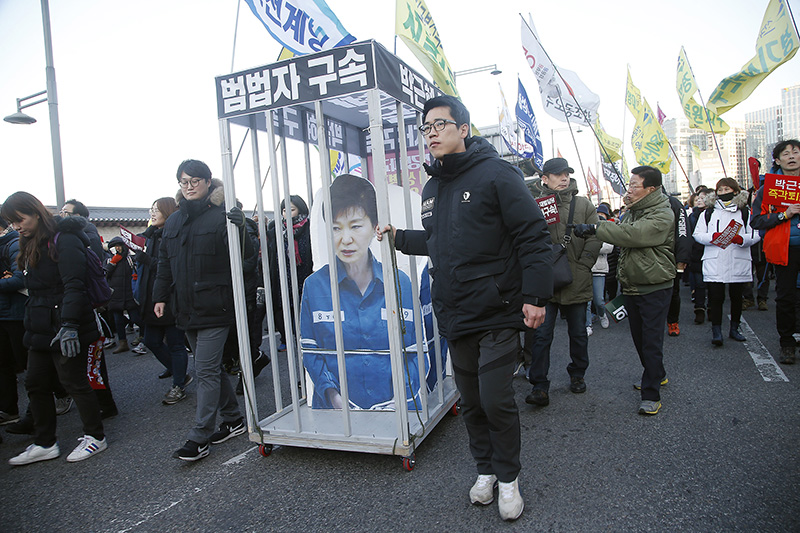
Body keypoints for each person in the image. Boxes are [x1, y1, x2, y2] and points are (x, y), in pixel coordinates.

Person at [378, 95, 552, 521]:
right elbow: (438, 242)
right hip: (455, 314)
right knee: (471, 403)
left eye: (440, 124)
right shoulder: (433, 187)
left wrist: (535, 297)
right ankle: (485, 471)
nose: (432, 133)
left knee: (496, 401)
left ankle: (509, 479)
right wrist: (398, 236)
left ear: (463, 129)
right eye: (426, 127)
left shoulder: (497, 173)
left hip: (497, 310)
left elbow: (532, 235)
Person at [153, 159, 254, 461]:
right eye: (184, 181)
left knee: (205, 370)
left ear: (209, 182)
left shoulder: (223, 217)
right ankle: (234, 419)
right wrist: (159, 296)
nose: (189, 186)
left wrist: (242, 229)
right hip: (186, 308)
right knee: (211, 368)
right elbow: (164, 264)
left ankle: (199, 437)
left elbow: (248, 259)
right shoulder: (173, 221)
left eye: (195, 180)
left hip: (216, 307)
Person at [2, 192, 108, 465]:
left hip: (66, 323)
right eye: (12, 222)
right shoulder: (27, 241)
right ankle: (45, 442)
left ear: (36, 212)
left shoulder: (66, 238)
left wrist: (70, 325)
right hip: (39, 324)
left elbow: (75, 285)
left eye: (20, 219)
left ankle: (95, 436)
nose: (17, 226)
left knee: (73, 381)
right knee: (34, 383)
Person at [300, 175, 422, 410]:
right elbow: (310, 350)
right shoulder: (314, 286)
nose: (346, 239)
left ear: (375, 227)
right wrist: (334, 398)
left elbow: (417, 351)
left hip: (395, 411)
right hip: (334, 414)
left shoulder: (399, 283)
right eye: (336, 228)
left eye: (356, 226)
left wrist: (400, 400)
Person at [573, 166, 675, 416]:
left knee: (651, 341)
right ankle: (657, 373)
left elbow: (633, 235)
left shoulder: (663, 213)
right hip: (631, 285)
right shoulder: (634, 210)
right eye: (629, 185)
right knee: (640, 339)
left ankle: (651, 394)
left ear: (650, 189)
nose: (629, 189)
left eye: (633, 185)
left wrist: (596, 228)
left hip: (655, 285)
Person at [524, 157, 600, 406]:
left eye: (566, 173)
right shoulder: (534, 204)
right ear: (544, 178)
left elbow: (595, 235)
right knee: (541, 335)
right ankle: (539, 384)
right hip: (545, 281)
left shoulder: (583, 204)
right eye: (557, 174)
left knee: (578, 333)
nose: (564, 178)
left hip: (576, 279)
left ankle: (578, 374)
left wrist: (584, 264)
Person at [135, 197, 192, 405]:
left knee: (176, 344)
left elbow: (170, 266)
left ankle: (179, 384)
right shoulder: (150, 236)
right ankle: (179, 372)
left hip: (171, 297)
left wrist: (146, 259)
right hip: (152, 298)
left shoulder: (172, 234)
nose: (152, 213)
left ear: (168, 211)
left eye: (157, 210)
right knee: (151, 341)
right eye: (151, 209)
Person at [692, 178, 760, 345]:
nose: (723, 193)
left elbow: (756, 233)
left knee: (737, 297)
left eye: (727, 189)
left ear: (736, 191)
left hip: (738, 258)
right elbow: (698, 234)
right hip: (715, 259)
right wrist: (712, 237)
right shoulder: (708, 213)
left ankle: (734, 329)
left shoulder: (745, 212)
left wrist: (741, 239)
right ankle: (716, 331)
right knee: (716, 298)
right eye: (720, 190)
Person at [750, 139, 800, 364]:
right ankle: (787, 342)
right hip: (784, 248)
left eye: (796, 152)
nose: (791, 156)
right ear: (778, 160)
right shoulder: (768, 189)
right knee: (786, 296)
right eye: (786, 153)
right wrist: (783, 215)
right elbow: (756, 221)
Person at [269, 195, 313, 350]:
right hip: (282, 277)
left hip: (304, 276)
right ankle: (287, 338)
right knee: (283, 309)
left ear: (300, 210)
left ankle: (306, 338)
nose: (286, 213)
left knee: (304, 309)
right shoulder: (276, 230)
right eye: (284, 210)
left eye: (291, 209)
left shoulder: (310, 227)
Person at [0, 215, 27, 426]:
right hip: (3, 314)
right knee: (4, 366)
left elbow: (20, 278)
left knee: (29, 363)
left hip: (16, 314)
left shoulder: (13, 244)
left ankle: (60, 393)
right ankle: (9, 410)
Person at [105, 237, 141, 354]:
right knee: (118, 321)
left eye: (119, 246)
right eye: (115, 247)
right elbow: (105, 274)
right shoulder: (109, 260)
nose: (117, 249)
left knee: (136, 318)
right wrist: (112, 263)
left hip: (129, 293)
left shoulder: (130, 259)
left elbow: (136, 271)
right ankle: (122, 343)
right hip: (116, 295)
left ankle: (143, 336)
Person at [665, 189, 692, 337]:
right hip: (645, 259)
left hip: (670, 258)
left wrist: (682, 259)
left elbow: (683, 231)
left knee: (672, 291)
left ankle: (672, 321)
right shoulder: (637, 203)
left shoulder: (673, 203)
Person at [587, 206, 614, 335]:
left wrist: (591, 247)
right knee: (585, 300)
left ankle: (602, 314)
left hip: (599, 269)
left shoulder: (605, 228)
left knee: (599, 299)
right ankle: (588, 324)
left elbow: (608, 247)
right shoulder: (584, 227)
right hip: (585, 268)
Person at [687, 188, 710, 324]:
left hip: (713, 253)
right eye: (698, 198)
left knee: (713, 285)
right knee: (699, 284)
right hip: (696, 255)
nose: (700, 200)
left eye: (703, 197)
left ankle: (712, 308)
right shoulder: (692, 216)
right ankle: (699, 309)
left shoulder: (714, 214)